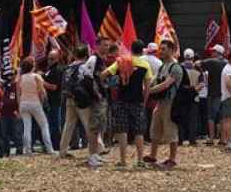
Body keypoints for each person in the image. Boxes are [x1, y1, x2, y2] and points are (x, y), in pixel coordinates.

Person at [104, 40, 152, 168]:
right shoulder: (145, 65)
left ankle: (123, 160)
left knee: (122, 130)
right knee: (138, 131)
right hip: (137, 100)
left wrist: (109, 85)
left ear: (131, 49)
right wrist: (145, 100)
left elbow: (104, 74)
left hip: (121, 100)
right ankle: (140, 160)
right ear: (142, 51)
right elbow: (147, 86)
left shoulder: (121, 61)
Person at [60, 45, 104, 166]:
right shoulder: (83, 66)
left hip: (69, 98)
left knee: (68, 124)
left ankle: (63, 150)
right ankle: (99, 148)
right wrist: (95, 96)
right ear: (86, 55)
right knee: (89, 124)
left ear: (75, 55)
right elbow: (87, 81)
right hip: (81, 99)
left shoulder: (68, 67)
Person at [145, 40, 184, 169]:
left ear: (172, 50)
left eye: (164, 49)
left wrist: (148, 91)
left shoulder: (176, 67)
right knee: (155, 129)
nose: (161, 51)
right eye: (160, 49)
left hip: (171, 103)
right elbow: (155, 81)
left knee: (171, 130)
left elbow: (166, 84)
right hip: (160, 102)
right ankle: (152, 155)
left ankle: (172, 159)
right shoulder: (162, 66)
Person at [12, 58, 54, 157]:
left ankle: (27, 150)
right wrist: (41, 101)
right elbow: (42, 92)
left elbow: (18, 94)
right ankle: (49, 149)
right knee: (44, 125)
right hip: (35, 103)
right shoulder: (37, 76)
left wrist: (19, 106)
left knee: (27, 127)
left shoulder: (20, 78)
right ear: (33, 66)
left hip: (23, 103)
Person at [201, 45, 227, 145]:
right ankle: (222, 138)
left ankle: (211, 138)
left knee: (211, 116)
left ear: (217, 52)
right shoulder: (226, 63)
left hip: (213, 93)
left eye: (213, 51)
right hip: (224, 93)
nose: (212, 53)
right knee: (221, 116)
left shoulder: (211, 61)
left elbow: (198, 64)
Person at [178, 49, 203, 145]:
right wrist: (195, 89)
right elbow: (202, 83)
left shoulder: (179, 67)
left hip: (182, 96)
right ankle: (192, 139)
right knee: (193, 118)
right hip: (194, 96)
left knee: (181, 118)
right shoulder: (198, 68)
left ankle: (180, 139)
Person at [42, 49, 66, 150]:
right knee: (49, 124)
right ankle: (50, 144)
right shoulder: (49, 69)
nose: (49, 60)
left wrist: (41, 81)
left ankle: (56, 145)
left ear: (57, 59)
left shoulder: (58, 70)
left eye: (52, 59)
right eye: (48, 58)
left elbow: (54, 87)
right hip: (48, 101)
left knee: (55, 124)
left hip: (55, 101)